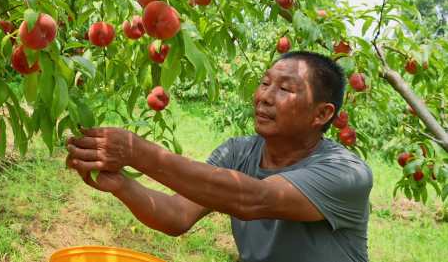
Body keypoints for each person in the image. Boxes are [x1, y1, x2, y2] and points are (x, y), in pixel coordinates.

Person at [66, 51, 373, 262]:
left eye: (285, 88)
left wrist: (136, 151)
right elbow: (176, 215)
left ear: (321, 113)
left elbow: (255, 199)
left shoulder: (346, 173)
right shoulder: (237, 152)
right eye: (265, 83)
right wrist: (119, 184)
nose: (264, 96)